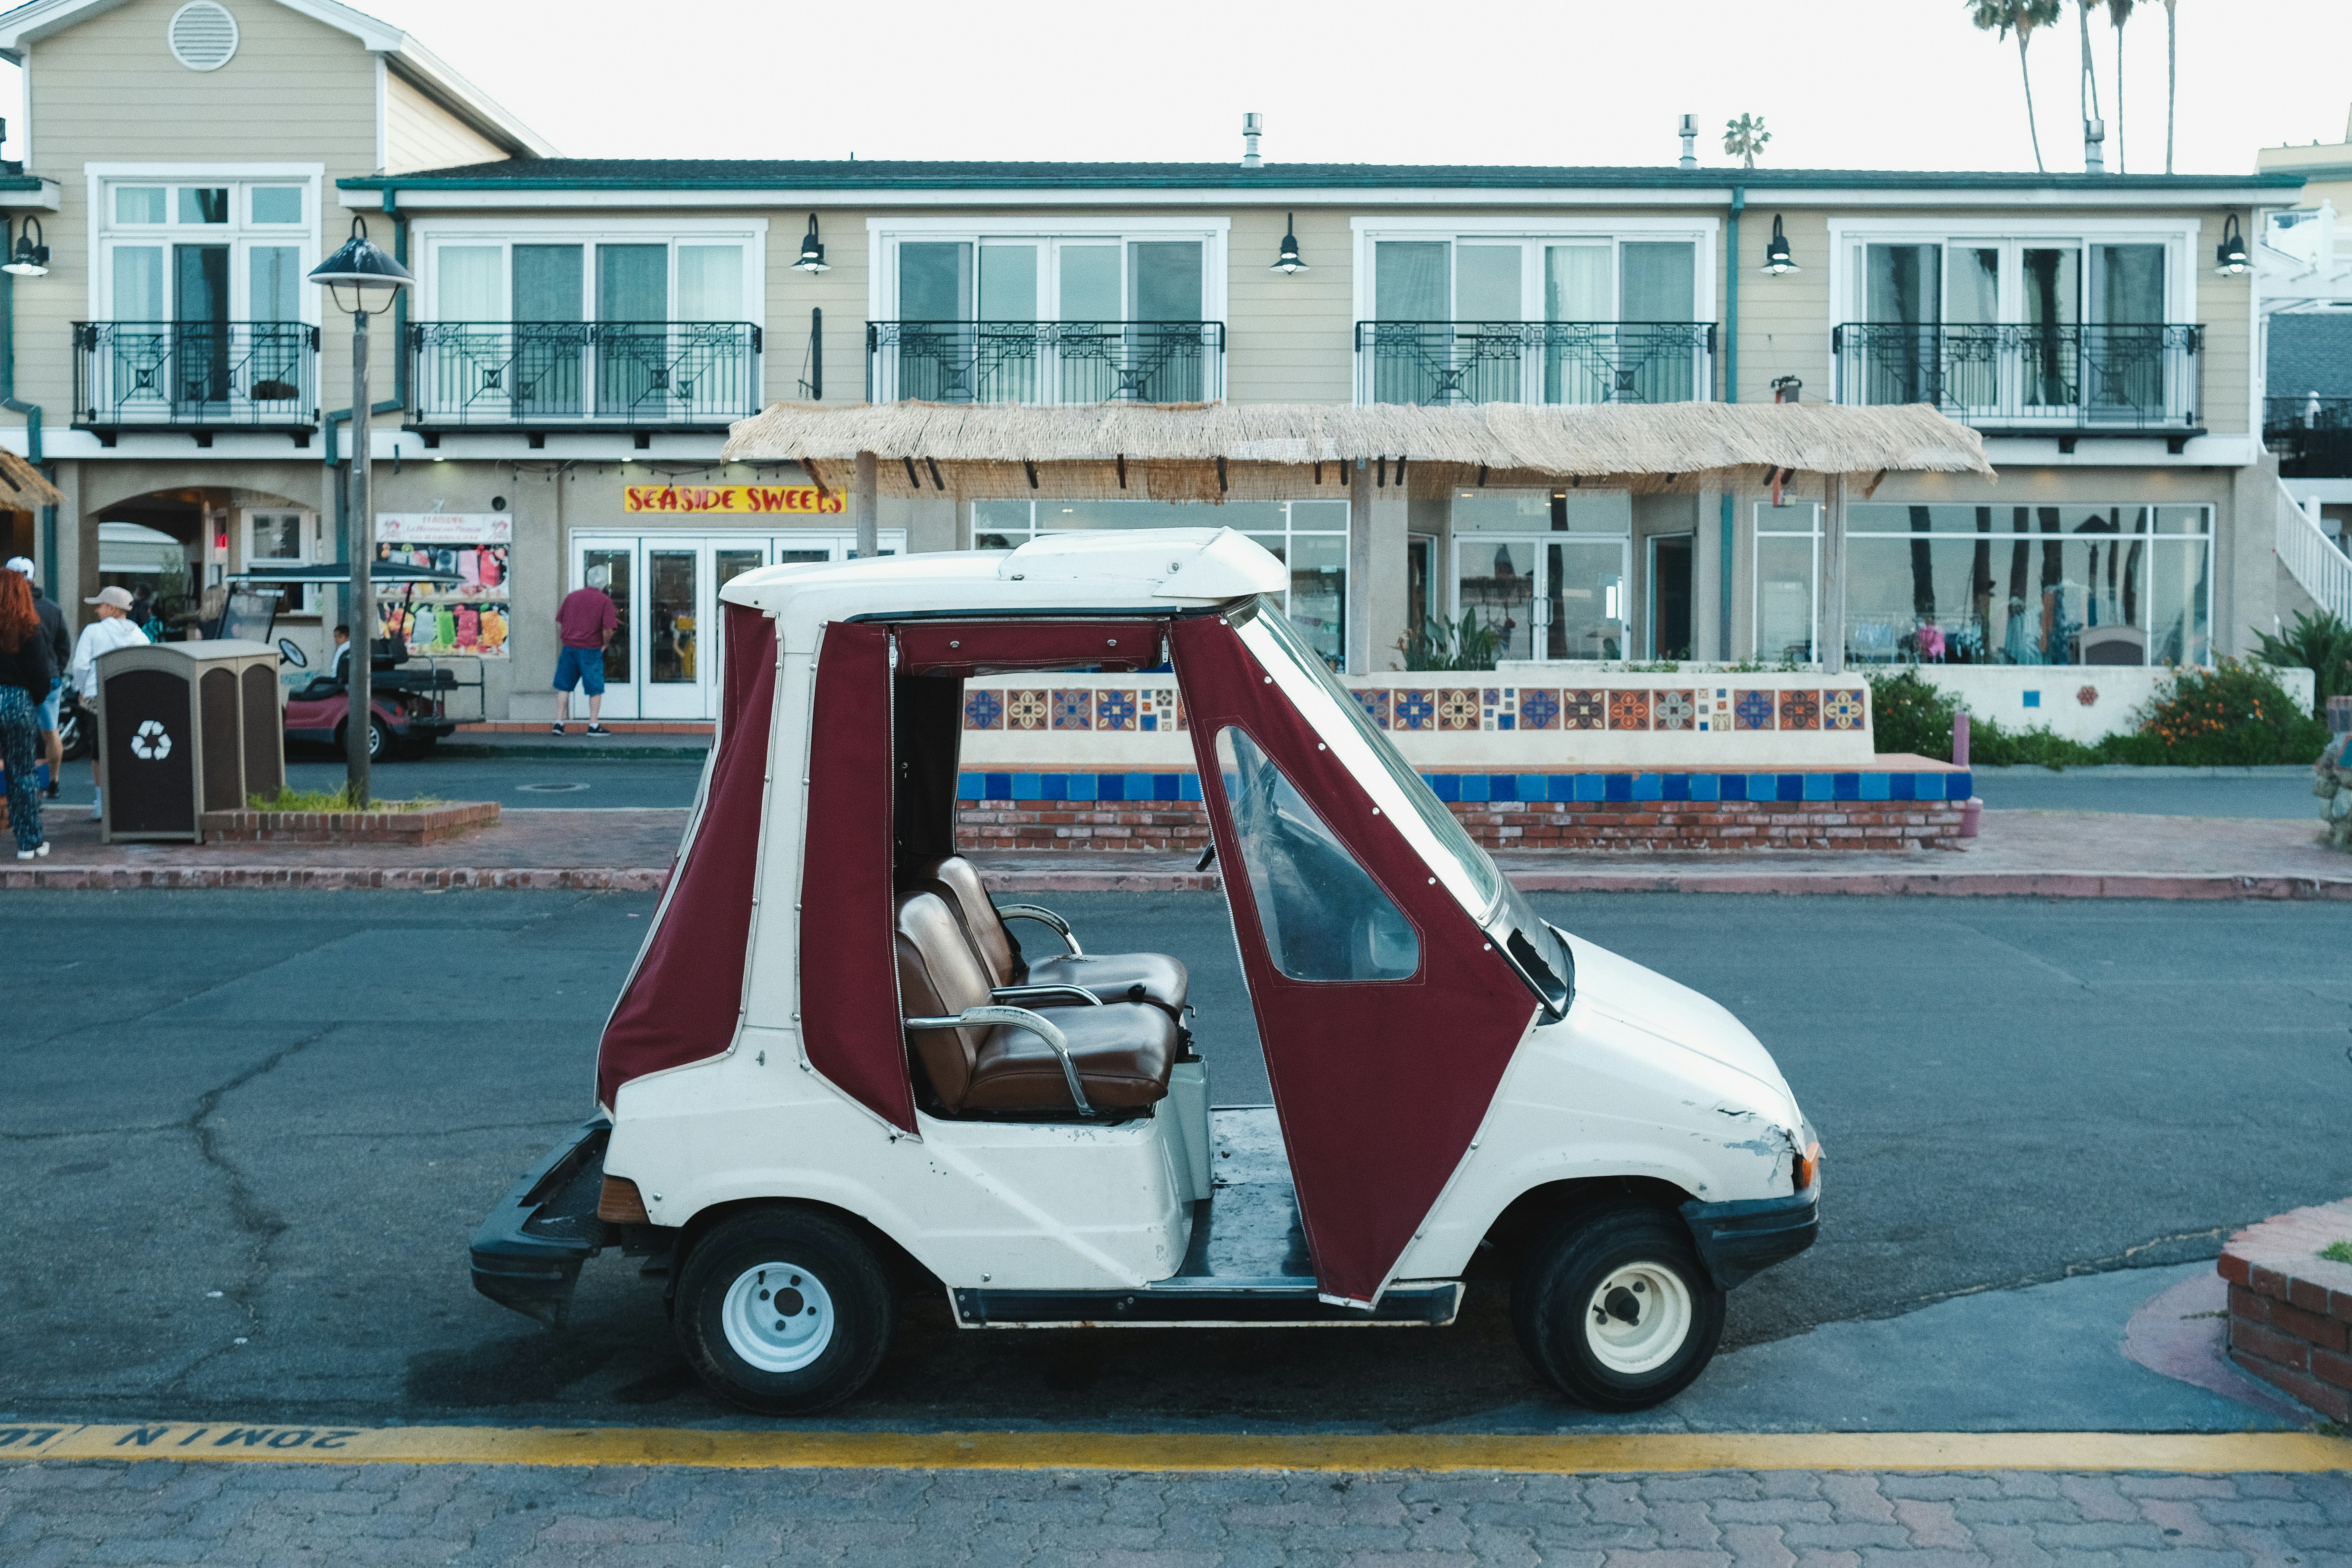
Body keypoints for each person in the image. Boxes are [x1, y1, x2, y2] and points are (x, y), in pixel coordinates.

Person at [71, 586, 149, 822]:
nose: (97, 610)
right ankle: (128, 801)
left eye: (101, 605)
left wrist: (83, 691)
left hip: (97, 694)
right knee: (128, 746)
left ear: (113, 608)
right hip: (130, 698)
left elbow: (80, 666)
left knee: (99, 751)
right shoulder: (139, 635)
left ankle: (102, 803)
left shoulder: (93, 632)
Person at [0, 566, 57, 858]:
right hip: (17, 701)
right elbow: (42, 676)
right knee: (22, 773)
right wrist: (32, 698)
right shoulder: (28, 628)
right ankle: (29, 842)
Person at [7, 557, 70, 801]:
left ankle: (21, 785)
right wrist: (57, 669)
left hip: (16, 682)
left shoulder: (8, 609)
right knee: (50, 732)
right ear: (32, 579)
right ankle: (53, 782)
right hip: (50, 678)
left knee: (16, 734)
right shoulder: (52, 609)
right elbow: (64, 645)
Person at [553, 565, 617, 737]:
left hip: (569, 649)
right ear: (604, 583)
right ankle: (593, 725)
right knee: (595, 688)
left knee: (564, 687)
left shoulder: (572, 597)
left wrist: (566, 639)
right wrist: (604, 645)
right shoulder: (605, 601)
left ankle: (559, 723)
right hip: (590, 650)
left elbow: (560, 622)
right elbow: (608, 630)